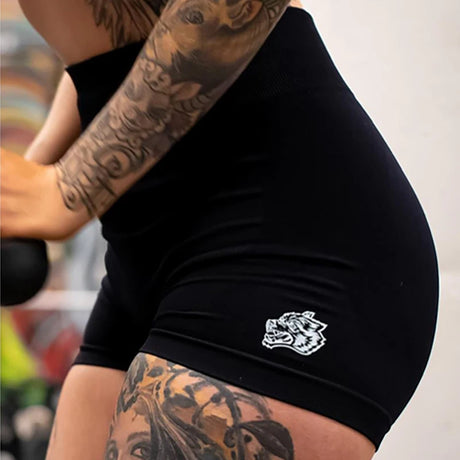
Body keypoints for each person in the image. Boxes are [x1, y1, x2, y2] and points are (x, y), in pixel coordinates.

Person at [1, 0, 439, 458]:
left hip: (287, 248)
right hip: (145, 257)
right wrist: (37, 172)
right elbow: (113, 41)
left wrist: (69, 189)